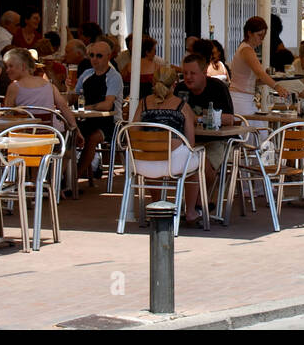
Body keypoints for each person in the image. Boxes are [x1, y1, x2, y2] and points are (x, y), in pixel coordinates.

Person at [132, 65, 205, 226]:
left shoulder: (143, 103)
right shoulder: (182, 106)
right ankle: (191, 212)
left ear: (153, 82)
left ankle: (157, 205)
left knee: (154, 156)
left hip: (145, 164)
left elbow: (133, 132)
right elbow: (191, 142)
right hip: (175, 163)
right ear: (175, 84)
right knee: (195, 161)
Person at [69, 40, 124, 183]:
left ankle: (73, 179)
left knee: (92, 138)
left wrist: (88, 107)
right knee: (68, 135)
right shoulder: (86, 74)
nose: (94, 59)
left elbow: (107, 105)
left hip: (111, 123)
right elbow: (74, 97)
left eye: (99, 56)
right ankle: (64, 176)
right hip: (88, 119)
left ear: (109, 57)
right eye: (92, 55)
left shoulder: (114, 77)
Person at [180, 53, 235, 194]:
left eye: (193, 73)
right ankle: (193, 204)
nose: (188, 77)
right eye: (185, 73)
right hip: (187, 140)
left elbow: (229, 119)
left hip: (215, 140)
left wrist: (197, 118)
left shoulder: (218, 88)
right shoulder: (180, 89)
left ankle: (200, 202)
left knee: (203, 164)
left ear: (204, 72)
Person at [2, 46, 79, 131]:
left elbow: (7, 116)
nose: (7, 70)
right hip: (53, 135)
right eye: (7, 67)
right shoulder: (48, 84)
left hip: (26, 136)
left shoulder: (14, 87)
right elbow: (63, 107)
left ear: (23, 67)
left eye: (10, 66)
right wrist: (75, 129)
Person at [229, 16, 290, 117]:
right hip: (241, 100)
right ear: (249, 33)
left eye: (263, 36)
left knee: (259, 131)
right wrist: (277, 87)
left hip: (242, 98)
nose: (261, 39)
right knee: (258, 131)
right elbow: (259, 73)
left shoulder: (244, 48)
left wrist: (273, 80)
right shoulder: (247, 50)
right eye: (259, 35)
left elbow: (250, 78)